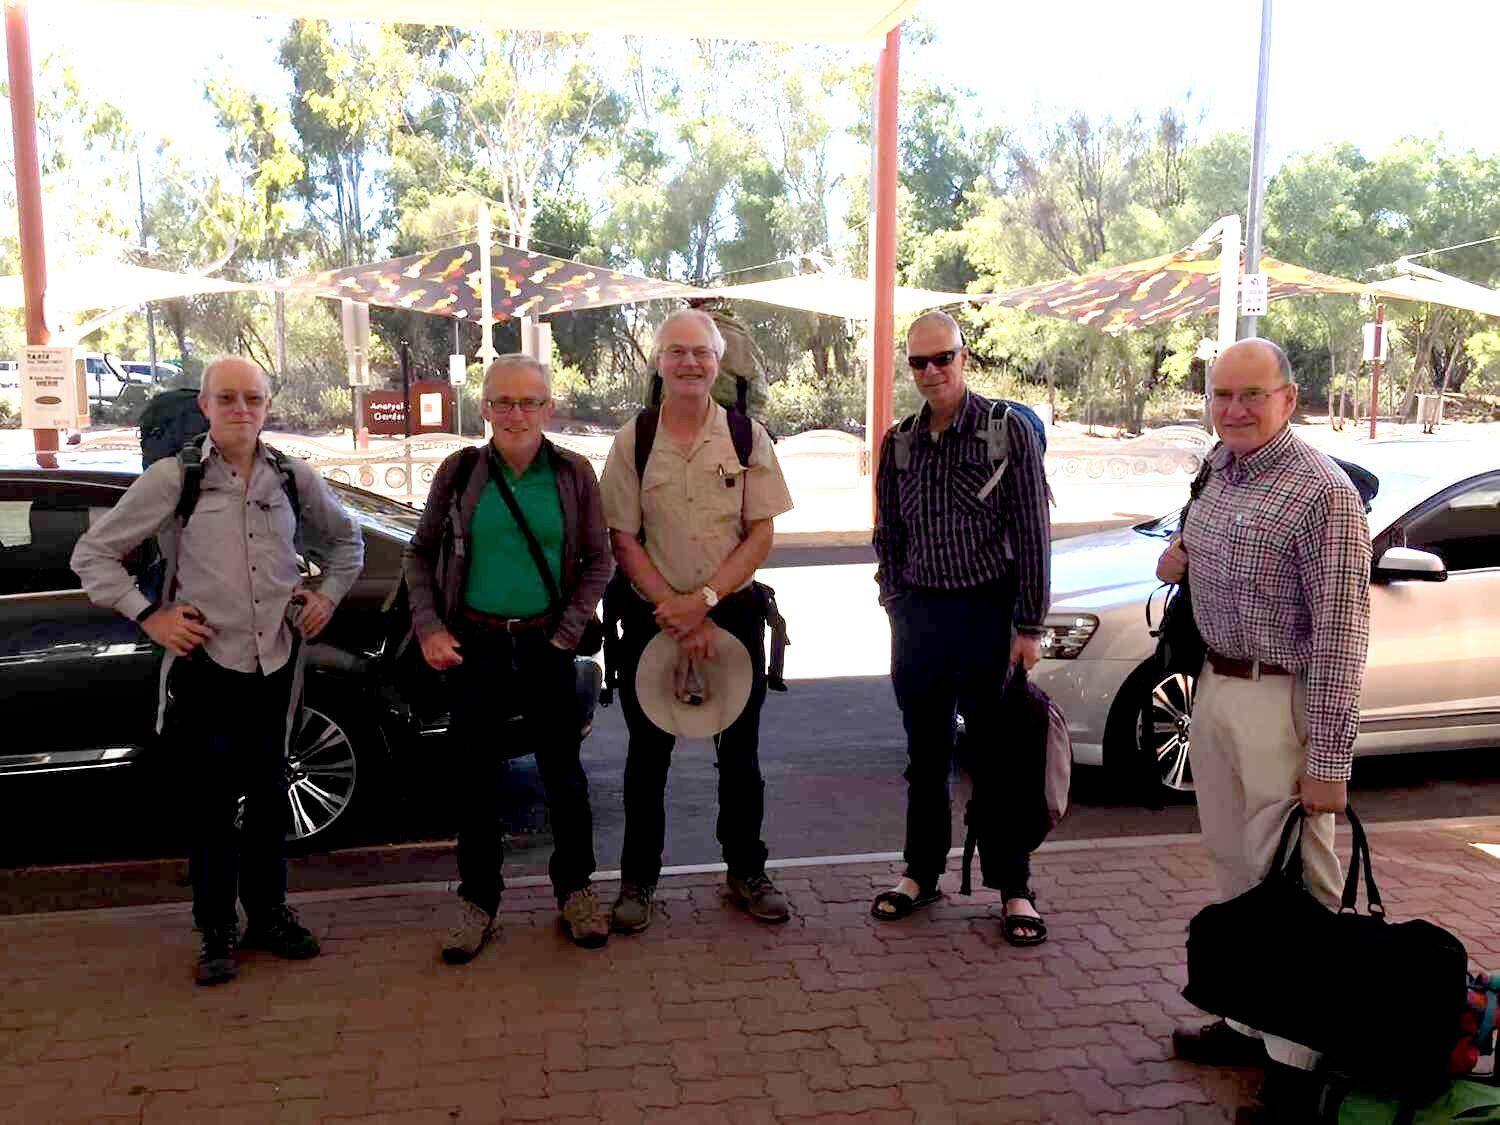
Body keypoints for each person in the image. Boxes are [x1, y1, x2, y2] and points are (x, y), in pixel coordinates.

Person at [72, 356, 365, 986]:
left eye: (252, 399)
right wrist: (150, 616)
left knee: (267, 799)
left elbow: (348, 542)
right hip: (206, 666)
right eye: (226, 398)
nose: (240, 409)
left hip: (277, 664)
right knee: (208, 807)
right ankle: (215, 931)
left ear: (266, 407)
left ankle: (268, 916)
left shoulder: (291, 476)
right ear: (205, 406)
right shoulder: (172, 479)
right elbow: (93, 557)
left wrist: (326, 597)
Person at [1158, 338, 1371, 1118]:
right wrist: (1180, 553)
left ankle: (1299, 1067)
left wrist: (1330, 757)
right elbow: (1203, 545)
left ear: (1289, 398)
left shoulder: (1324, 493)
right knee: (1234, 866)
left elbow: (1343, 637)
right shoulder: (1220, 468)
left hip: (1285, 701)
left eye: (1252, 394)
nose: (1235, 409)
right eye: (1222, 395)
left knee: (1297, 887)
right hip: (1216, 685)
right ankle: (1249, 1022)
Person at [403, 354, 614, 961]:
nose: (515, 414)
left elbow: (600, 560)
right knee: (475, 781)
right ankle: (478, 902)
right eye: (502, 402)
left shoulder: (574, 475)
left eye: (529, 402)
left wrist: (566, 633)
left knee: (563, 778)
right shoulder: (461, 471)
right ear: (485, 408)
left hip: (549, 643)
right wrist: (430, 629)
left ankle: (575, 892)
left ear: (549, 408)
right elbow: (419, 557)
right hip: (477, 646)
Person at [599, 307, 794, 932]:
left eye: (700, 353)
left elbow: (760, 534)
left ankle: (746, 872)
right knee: (646, 762)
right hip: (650, 618)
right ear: (659, 363)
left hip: (729, 617)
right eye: (677, 352)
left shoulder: (746, 437)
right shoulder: (634, 438)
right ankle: (637, 884)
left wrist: (703, 603)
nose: (689, 362)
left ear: (718, 362)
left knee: (740, 760)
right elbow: (622, 537)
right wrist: (672, 609)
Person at [870, 311, 1051, 945]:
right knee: (925, 758)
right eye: (918, 363)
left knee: (997, 761)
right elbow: (887, 533)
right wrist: (895, 598)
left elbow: (1033, 532)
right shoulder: (898, 442)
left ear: (963, 357)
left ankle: (1014, 888)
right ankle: (921, 873)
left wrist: (1029, 624)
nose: (931, 372)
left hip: (988, 617)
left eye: (941, 358)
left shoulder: (1006, 432)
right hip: (920, 618)